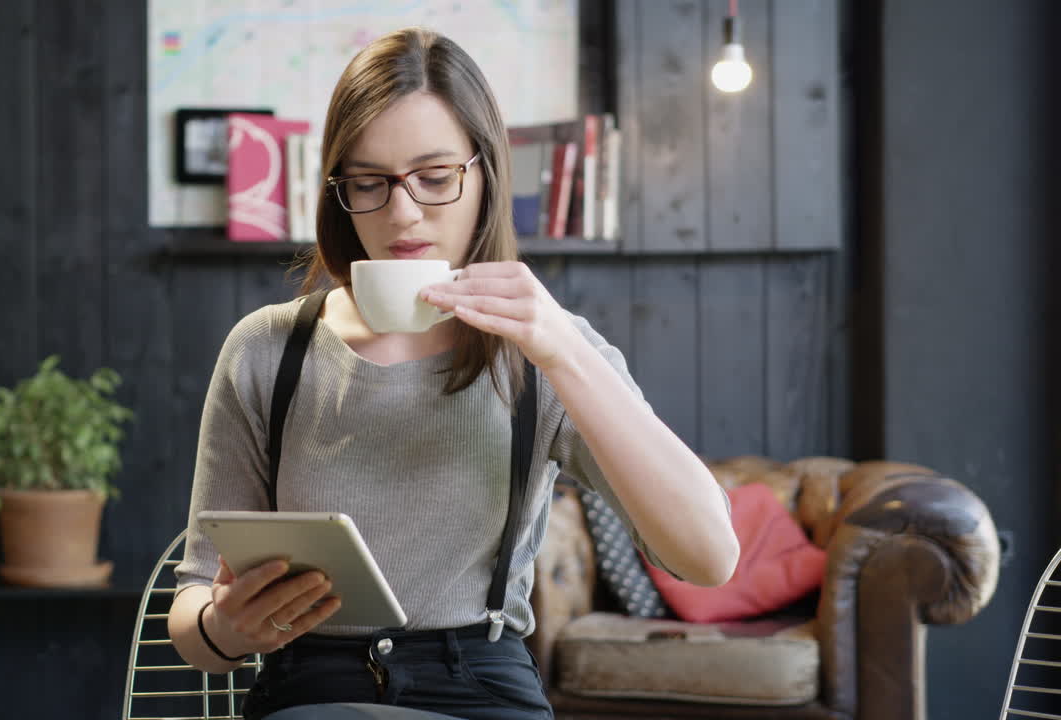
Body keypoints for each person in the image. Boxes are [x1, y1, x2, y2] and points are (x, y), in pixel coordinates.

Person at [168, 26, 739, 720]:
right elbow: (195, 606)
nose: (403, 212)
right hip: (313, 689)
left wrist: (564, 352)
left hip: (482, 688)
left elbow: (709, 557)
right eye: (369, 182)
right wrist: (224, 628)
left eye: (435, 177)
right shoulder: (269, 349)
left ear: (485, 175)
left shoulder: (548, 349)